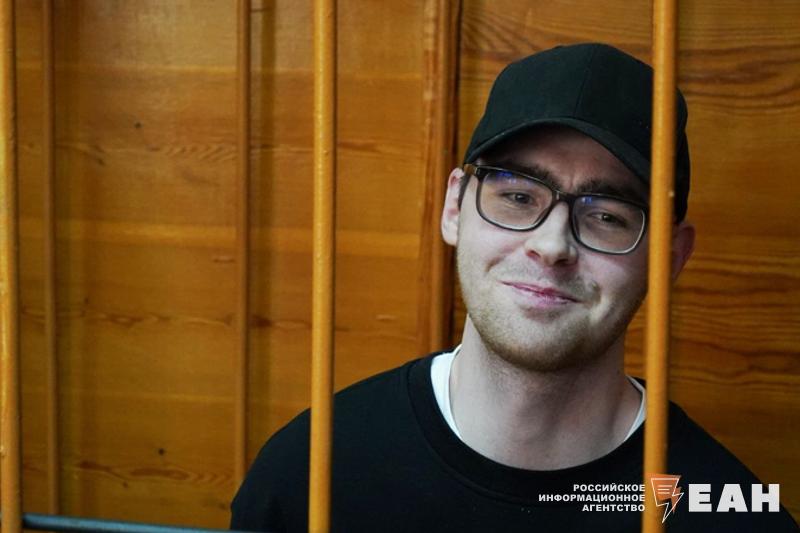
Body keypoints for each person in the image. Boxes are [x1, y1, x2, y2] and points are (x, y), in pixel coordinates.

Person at [230, 43, 798, 532]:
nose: (552, 246)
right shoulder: (310, 474)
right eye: (518, 196)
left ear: (669, 257)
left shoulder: (727, 515)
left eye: (607, 215)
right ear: (455, 208)